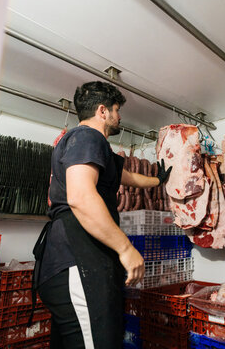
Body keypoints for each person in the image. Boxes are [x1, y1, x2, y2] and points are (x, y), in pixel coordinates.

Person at [33, 81, 172, 349]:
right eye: (116, 110)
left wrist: (158, 181)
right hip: (77, 258)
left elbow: (125, 176)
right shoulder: (88, 137)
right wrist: (125, 248)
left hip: (72, 260)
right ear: (102, 111)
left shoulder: (91, 147)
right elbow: (81, 197)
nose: (119, 116)